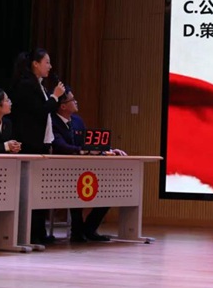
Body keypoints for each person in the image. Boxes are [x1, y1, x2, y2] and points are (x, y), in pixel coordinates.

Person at [52, 87, 126, 242]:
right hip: (61, 171)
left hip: (84, 169)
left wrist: (109, 150)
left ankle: (89, 229)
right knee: (75, 191)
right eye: (72, 100)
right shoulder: (52, 122)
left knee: (107, 191)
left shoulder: (77, 121)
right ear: (63, 106)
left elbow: (89, 143)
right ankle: (77, 231)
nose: (76, 102)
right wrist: (81, 151)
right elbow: (60, 145)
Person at [9, 48, 65, 244]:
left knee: (39, 190)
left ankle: (39, 232)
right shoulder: (26, 84)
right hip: (29, 143)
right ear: (35, 64)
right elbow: (40, 111)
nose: (50, 66)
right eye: (46, 62)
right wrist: (55, 96)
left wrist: (55, 97)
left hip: (41, 143)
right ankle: (29, 233)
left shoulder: (39, 85)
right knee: (29, 191)